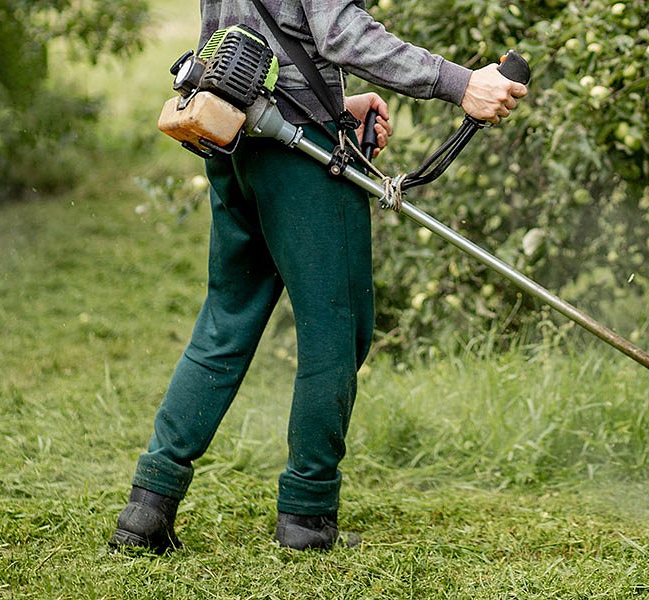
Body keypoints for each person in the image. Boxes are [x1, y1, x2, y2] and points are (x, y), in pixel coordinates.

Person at [110, 0, 528, 553]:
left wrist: (332, 99)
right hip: (294, 152)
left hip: (232, 130)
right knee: (336, 329)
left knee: (225, 321)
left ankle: (148, 506)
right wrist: (458, 82)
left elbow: (248, 30)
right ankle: (307, 518)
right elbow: (340, 32)